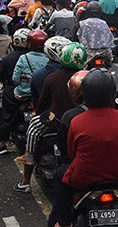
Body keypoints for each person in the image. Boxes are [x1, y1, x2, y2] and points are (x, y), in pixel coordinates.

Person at [34, 69, 118, 227]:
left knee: (59, 177)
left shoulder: (76, 120)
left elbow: (71, 153)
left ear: (84, 95)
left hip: (84, 176)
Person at [15, 43, 87, 193]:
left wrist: (39, 113)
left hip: (54, 119)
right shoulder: (86, 78)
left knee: (33, 128)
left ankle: (26, 179)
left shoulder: (51, 77)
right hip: (82, 120)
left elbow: (41, 104)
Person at [0, 28, 32, 156]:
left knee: (6, 115)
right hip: (34, 93)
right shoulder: (38, 56)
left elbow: (3, 77)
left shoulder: (9, 58)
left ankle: (2, 143)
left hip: (16, 91)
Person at [77, 1, 114, 66]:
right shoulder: (104, 23)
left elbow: (76, 38)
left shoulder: (82, 23)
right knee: (109, 65)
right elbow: (110, 38)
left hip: (88, 54)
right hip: (104, 53)